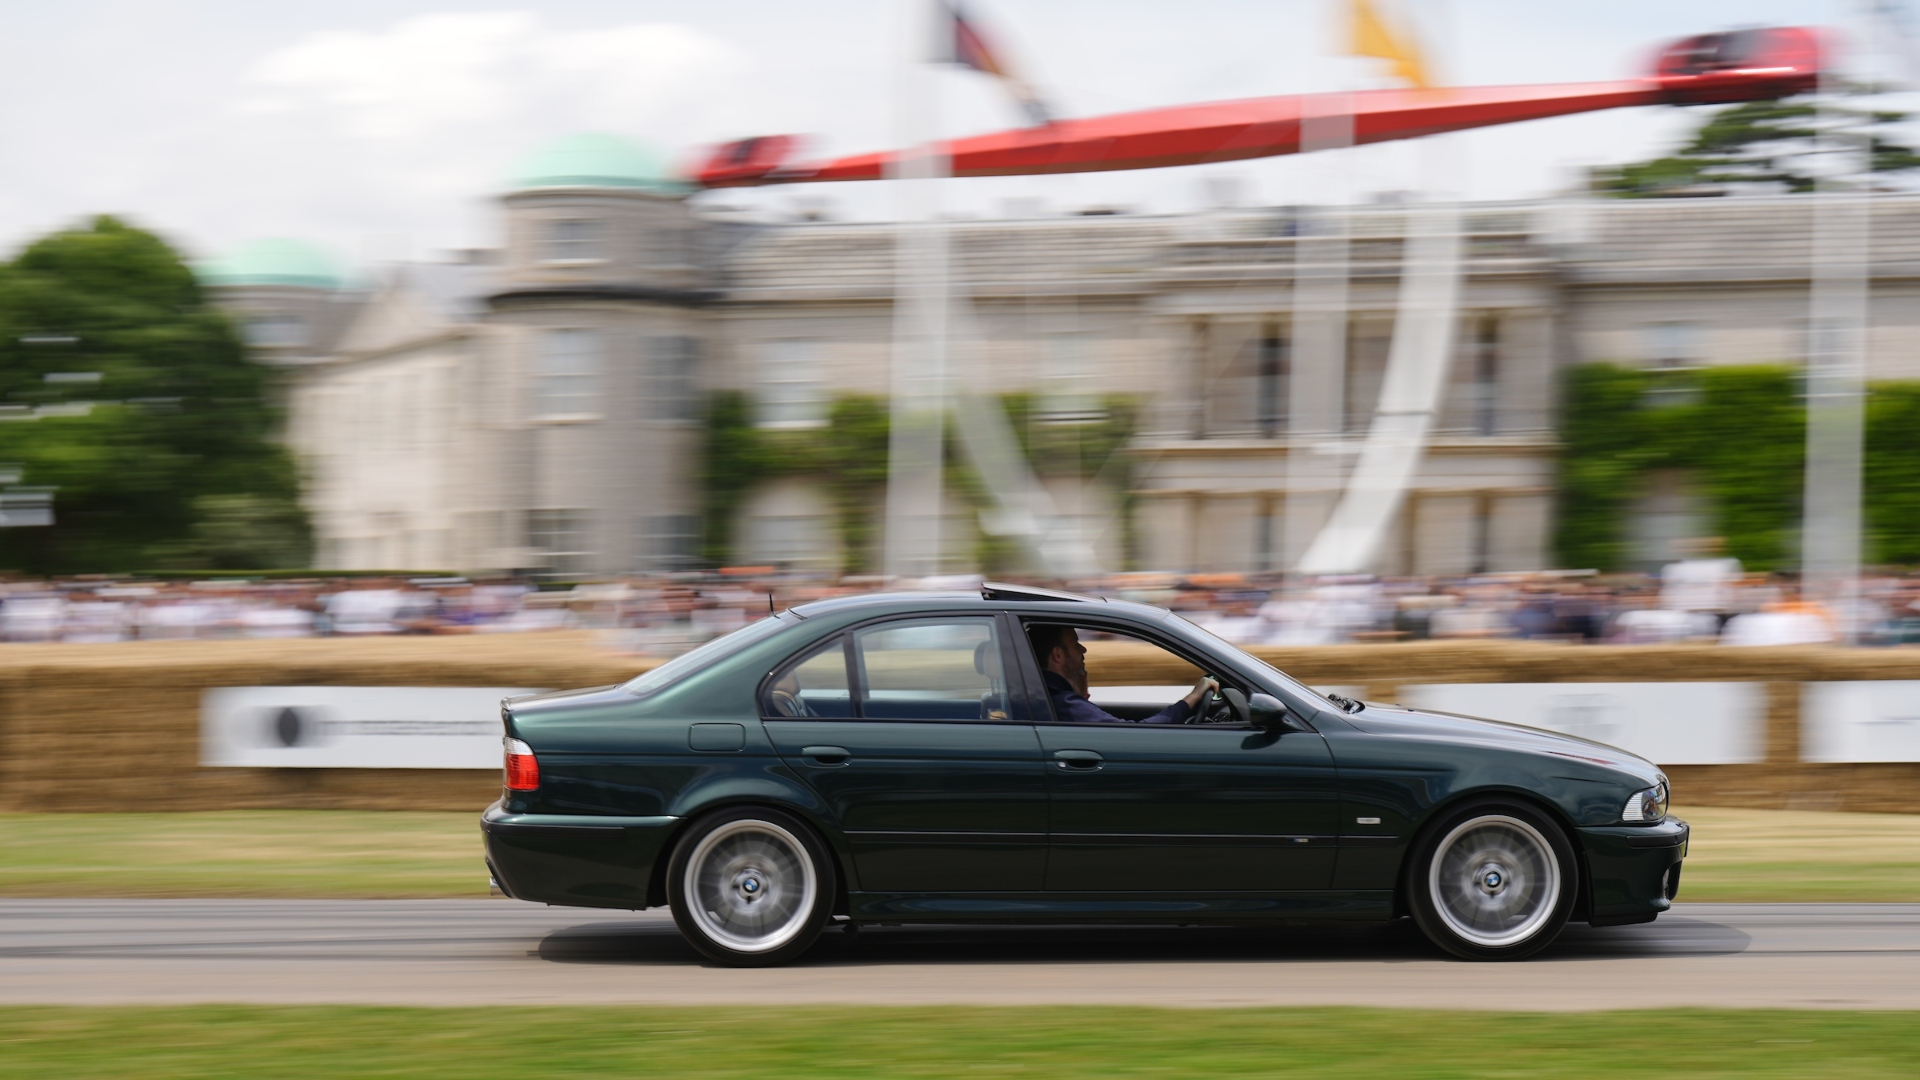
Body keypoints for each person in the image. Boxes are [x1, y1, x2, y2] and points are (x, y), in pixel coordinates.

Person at [1029, 624, 1217, 724]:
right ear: (1058, 655)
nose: (1083, 649)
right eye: (1075, 644)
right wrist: (1193, 698)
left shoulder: (1049, 697)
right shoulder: (1063, 703)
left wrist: (1079, 692)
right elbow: (1139, 738)